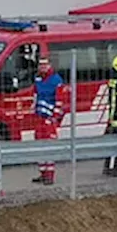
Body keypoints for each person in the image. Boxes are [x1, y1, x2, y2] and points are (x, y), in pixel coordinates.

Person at [31, 57, 69, 185]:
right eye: (40, 65)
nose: (42, 67)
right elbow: (35, 96)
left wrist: (54, 118)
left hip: (49, 119)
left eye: (44, 64)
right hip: (39, 118)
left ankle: (50, 176)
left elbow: (60, 101)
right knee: (38, 146)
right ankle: (42, 173)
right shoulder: (38, 78)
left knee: (49, 146)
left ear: (50, 65)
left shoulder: (56, 80)